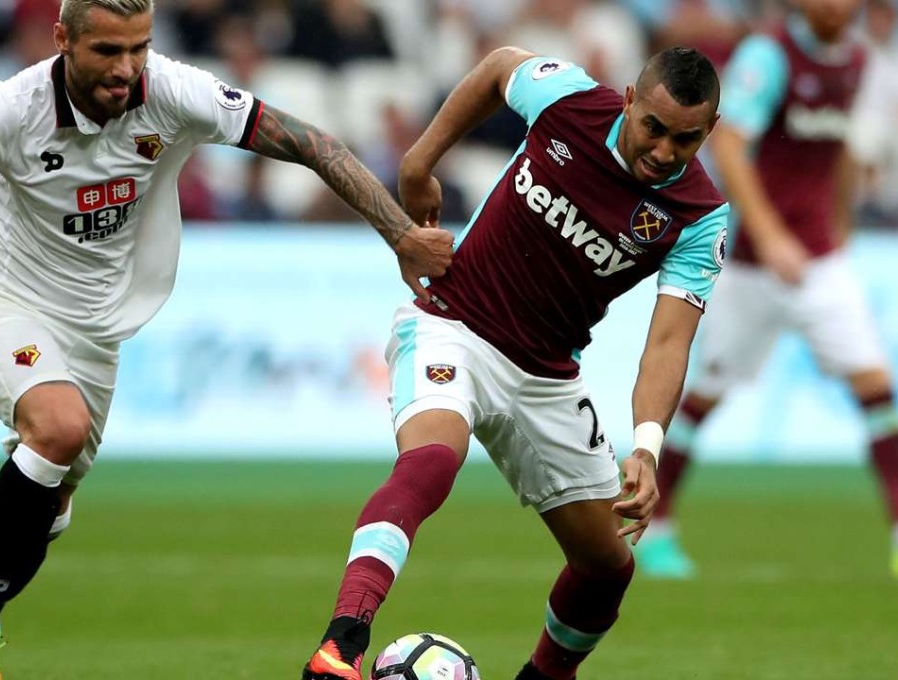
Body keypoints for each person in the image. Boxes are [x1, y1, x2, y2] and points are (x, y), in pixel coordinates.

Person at [0, 2, 455, 679]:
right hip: (2, 303)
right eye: (107, 52)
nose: (126, 69)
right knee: (57, 430)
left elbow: (312, 144)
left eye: (139, 48)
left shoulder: (177, 91)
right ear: (63, 39)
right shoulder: (10, 109)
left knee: (52, 504)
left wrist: (398, 234)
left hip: (96, 332)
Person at [301, 45, 727, 680]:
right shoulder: (571, 101)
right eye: (654, 129)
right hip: (454, 324)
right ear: (630, 102)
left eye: (685, 140)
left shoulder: (698, 216)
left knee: (608, 566)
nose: (664, 151)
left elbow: (668, 342)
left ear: (708, 132)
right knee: (431, 462)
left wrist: (645, 446)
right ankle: (341, 646)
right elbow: (500, 67)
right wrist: (419, 161)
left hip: (548, 374)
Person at [635, 0, 898, 581]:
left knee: (876, 388)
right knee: (704, 396)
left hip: (819, 262)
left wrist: (840, 229)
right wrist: (772, 235)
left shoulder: (859, 61)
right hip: (755, 264)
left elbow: (844, 156)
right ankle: (656, 525)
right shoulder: (769, 55)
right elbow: (730, 145)